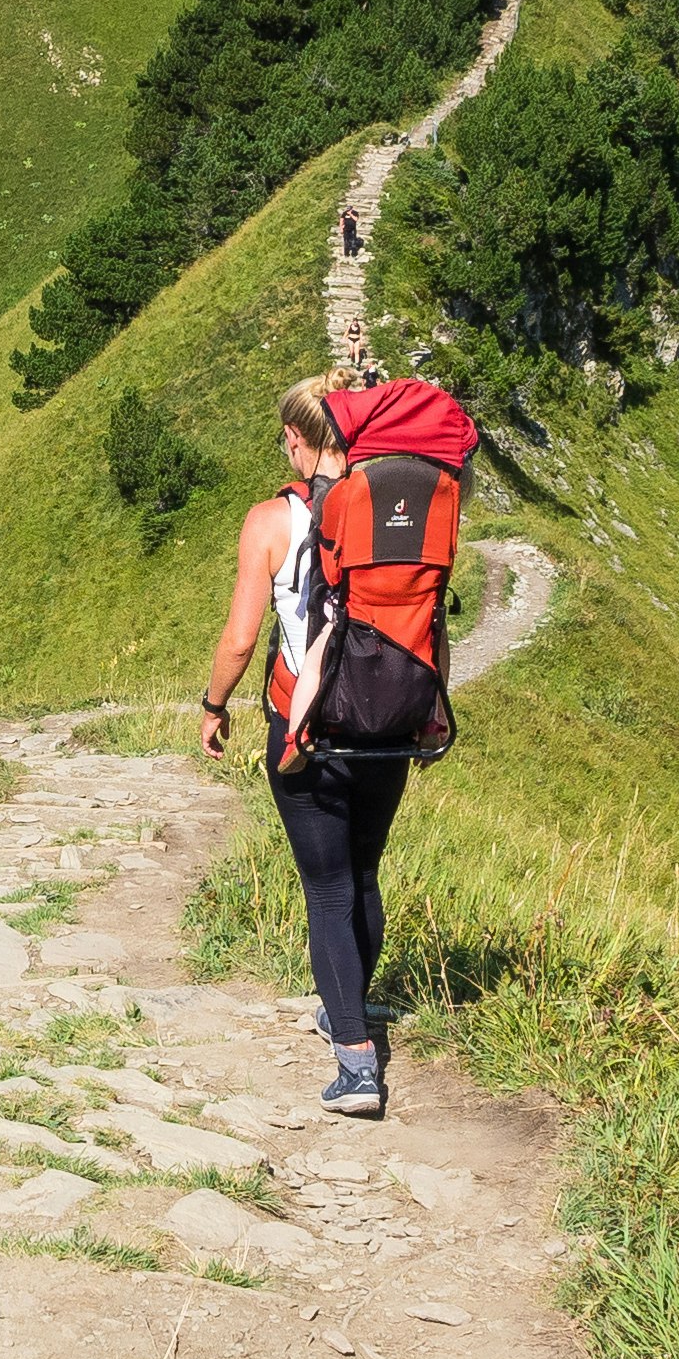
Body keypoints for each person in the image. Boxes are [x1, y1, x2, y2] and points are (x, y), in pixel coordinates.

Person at [202, 376, 406, 1117]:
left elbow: (241, 638)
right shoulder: (391, 506)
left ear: (295, 438)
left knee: (326, 890)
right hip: (388, 722)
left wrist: (213, 705)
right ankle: (347, 1002)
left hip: (308, 724)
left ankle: (356, 1062)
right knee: (363, 873)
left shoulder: (271, 519)